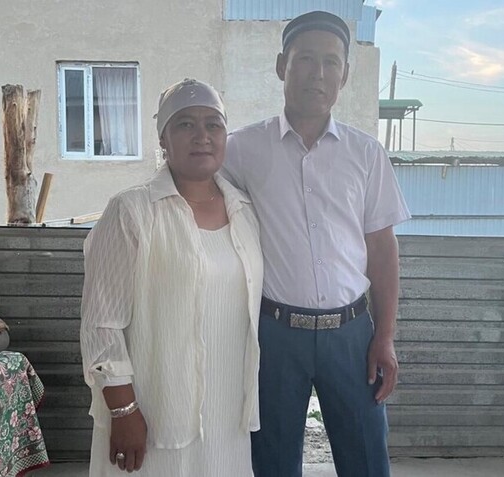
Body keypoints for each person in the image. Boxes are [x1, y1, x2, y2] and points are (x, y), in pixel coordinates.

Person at [222, 11, 411, 477]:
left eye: (331, 62)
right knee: (271, 461)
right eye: (305, 59)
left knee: (367, 459)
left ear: (345, 75)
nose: (318, 73)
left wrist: (384, 337)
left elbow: (382, 250)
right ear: (281, 66)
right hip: (273, 334)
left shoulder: (366, 154)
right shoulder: (241, 150)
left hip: (351, 334)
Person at [80, 78, 263, 476]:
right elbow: (101, 324)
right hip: (154, 412)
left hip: (227, 415)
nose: (202, 136)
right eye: (185, 124)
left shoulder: (245, 212)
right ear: (163, 138)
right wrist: (124, 410)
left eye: (213, 124)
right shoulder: (132, 212)